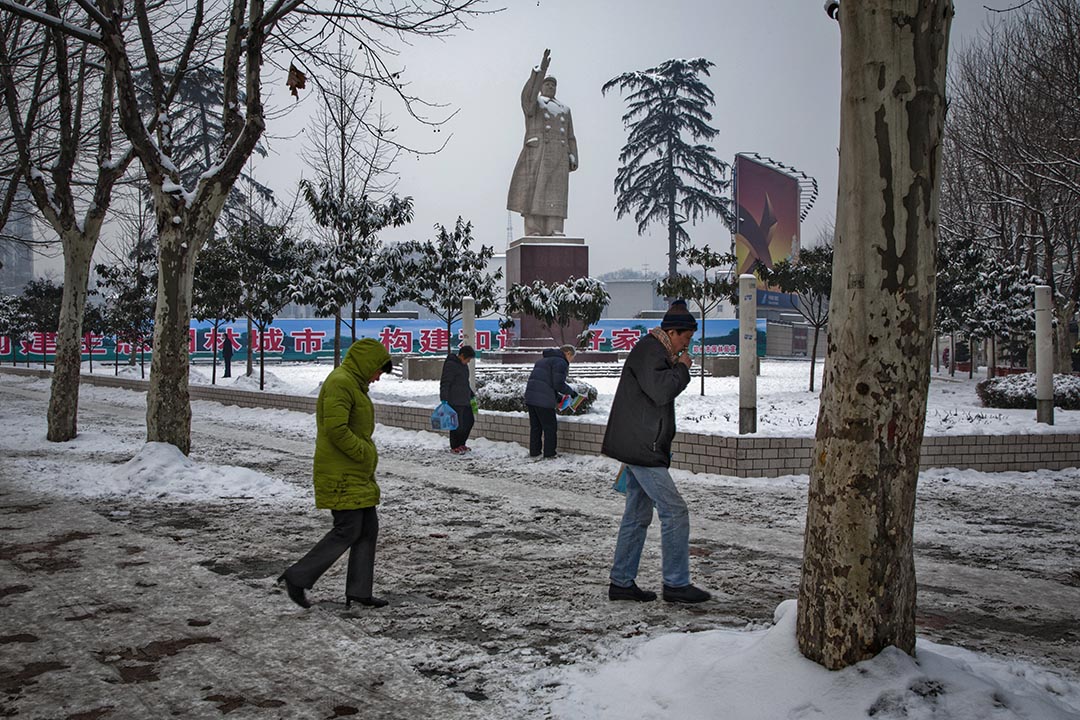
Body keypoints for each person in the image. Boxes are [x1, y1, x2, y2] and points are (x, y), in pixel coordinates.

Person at [603, 300, 712, 604]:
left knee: (637, 516)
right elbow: (662, 390)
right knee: (674, 511)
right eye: (685, 339)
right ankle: (676, 584)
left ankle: (622, 582)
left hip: (640, 444)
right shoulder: (650, 350)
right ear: (673, 332)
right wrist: (682, 368)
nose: (686, 346)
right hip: (642, 447)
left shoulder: (654, 351)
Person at [278, 338, 393, 610]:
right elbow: (336, 430)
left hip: (355, 473)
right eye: (378, 370)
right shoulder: (341, 383)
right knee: (348, 529)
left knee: (367, 529)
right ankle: (298, 576)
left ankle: (359, 591)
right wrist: (363, 452)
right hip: (342, 473)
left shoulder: (353, 384)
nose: (377, 378)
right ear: (367, 365)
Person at [507, 48, 578, 237]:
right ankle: (534, 229)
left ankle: (555, 228)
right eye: (546, 84)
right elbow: (527, 96)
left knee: (556, 194)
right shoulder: (535, 104)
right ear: (541, 86)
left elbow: (571, 136)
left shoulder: (564, 109)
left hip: (559, 157)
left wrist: (573, 155)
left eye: (553, 85)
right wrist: (541, 70)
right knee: (534, 194)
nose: (550, 88)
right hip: (538, 153)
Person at [524, 344, 577, 459]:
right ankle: (549, 454)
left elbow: (545, 382)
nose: (571, 360)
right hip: (543, 400)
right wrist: (571, 392)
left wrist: (557, 398)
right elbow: (558, 383)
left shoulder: (542, 361)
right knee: (550, 427)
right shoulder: (560, 362)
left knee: (536, 427)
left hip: (531, 397)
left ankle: (534, 452)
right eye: (572, 357)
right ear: (567, 353)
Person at [440, 344, 476, 454]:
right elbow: (445, 383)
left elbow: (465, 382)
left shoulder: (464, 366)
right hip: (454, 400)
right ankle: (455, 445)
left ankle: (462, 443)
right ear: (462, 356)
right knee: (457, 425)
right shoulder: (451, 365)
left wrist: (471, 394)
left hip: (465, 399)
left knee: (469, 421)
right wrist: (444, 399)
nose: (469, 361)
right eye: (468, 359)